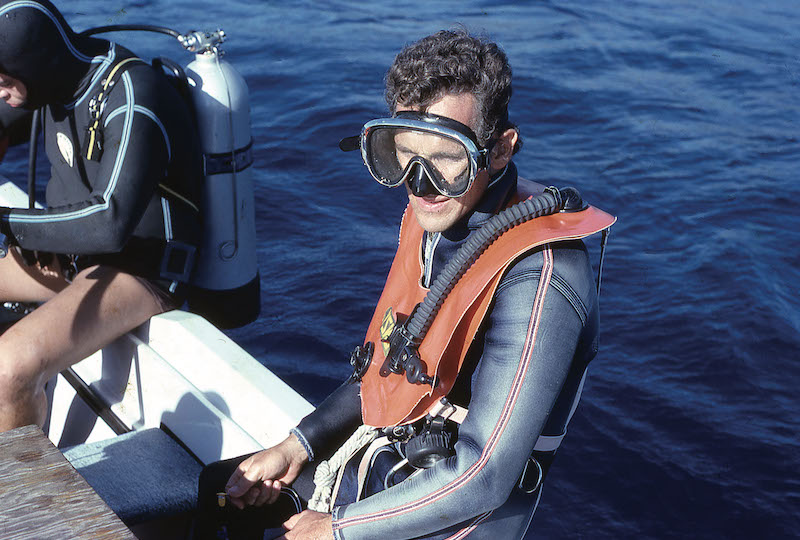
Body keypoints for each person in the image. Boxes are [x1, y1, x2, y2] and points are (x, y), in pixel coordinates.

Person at [195, 29, 614, 539]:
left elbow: (484, 475)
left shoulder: (541, 275)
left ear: (500, 150)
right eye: (404, 155)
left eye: (447, 158)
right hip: (391, 459)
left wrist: (336, 529)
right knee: (222, 489)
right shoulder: (438, 221)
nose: (420, 184)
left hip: (457, 516)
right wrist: (298, 445)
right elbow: (387, 367)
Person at [0, 0, 201, 431]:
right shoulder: (52, 83)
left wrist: (7, 225)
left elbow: (109, 223)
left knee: (10, 368)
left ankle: (24, 476)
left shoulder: (132, 95)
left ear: (33, 65)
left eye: (3, 81)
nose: (0, 93)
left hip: (140, 270)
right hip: (74, 257)